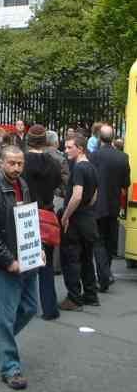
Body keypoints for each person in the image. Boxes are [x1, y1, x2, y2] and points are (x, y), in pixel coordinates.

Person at [0, 146, 38, 391]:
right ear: (2, 163)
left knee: (30, 307)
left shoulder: (22, 184)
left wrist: (37, 248)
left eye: (20, 163)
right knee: (5, 317)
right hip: (5, 263)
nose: (16, 168)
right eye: (12, 163)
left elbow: (28, 220)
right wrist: (7, 260)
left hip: (26, 258)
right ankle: (10, 368)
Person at [22, 125, 62, 321]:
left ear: (28, 140)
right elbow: (56, 185)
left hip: (24, 213)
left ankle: (23, 305)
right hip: (46, 212)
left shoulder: (21, 162)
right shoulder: (54, 163)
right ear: (46, 141)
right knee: (46, 264)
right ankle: (49, 308)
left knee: (23, 262)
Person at [59, 134, 100, 311]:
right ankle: (90, 294)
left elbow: (77, 196)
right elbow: (94, 195)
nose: (66, 150)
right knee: (86, 259)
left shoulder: (79, 168)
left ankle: (74, 298)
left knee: (71, 260)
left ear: (80, 148)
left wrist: (66, 216)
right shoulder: (91, 167)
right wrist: (87, 208)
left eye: (69, 147)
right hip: (88, 220)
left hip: (75, 222)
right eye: (66, 147)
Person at [90, 125, 130, 292]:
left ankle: (104, 274)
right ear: (113, 138)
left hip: (97, 204)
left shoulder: (93, 156)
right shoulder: (122, 157)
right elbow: (125, 184)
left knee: (98, 241)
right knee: (109, 241)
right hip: (113, 204)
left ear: (99, 138)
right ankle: (106, 273)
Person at [45, 130, 69, 197]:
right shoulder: (60, 159)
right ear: (56, 142)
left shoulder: (39, 154)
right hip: (56, 196)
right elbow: (66, 181)